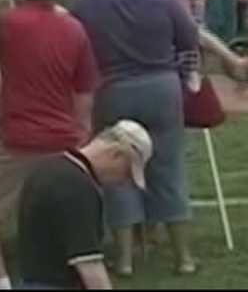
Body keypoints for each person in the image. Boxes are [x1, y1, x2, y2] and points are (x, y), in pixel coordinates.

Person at [0, 0, 98, 290]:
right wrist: (80, 133)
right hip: (62, 138)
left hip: (18, 136)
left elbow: (1, 61)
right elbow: (84, 91)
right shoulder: (75, 29)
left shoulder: (9, 22)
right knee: (52, 216)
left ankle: (0, 281)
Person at [71, 0, 199, 276]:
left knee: (118, 172)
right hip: (161, 87)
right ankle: (183, 257)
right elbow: (188, 39)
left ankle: (125, 259)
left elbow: (75, 44)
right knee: (169, 170)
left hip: (113, 90)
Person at [16, 120, 153, 290]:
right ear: (116, 154)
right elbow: (89, 265)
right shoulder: (77, 188)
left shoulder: (49, 167)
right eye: (126, 172)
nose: (122, 182)